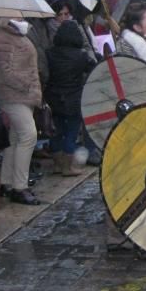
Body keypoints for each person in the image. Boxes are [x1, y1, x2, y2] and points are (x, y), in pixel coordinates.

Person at [0, 18, 42, 206]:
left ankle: (7, 182)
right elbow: (5, 72)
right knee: (29, 136)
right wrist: (26, 84)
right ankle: (20, 187)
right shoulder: (1, 37)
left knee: (15, 140)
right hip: (13, 96)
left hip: (25, 96)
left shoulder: (20, 33)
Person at [45, 20, 95, 176]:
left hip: (53, 98)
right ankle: (68, 167)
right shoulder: (81, 56)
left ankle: (57, 165)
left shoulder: (50, 53)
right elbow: (93, 68)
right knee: (71, 133)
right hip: (74, 99)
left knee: (56, 132)